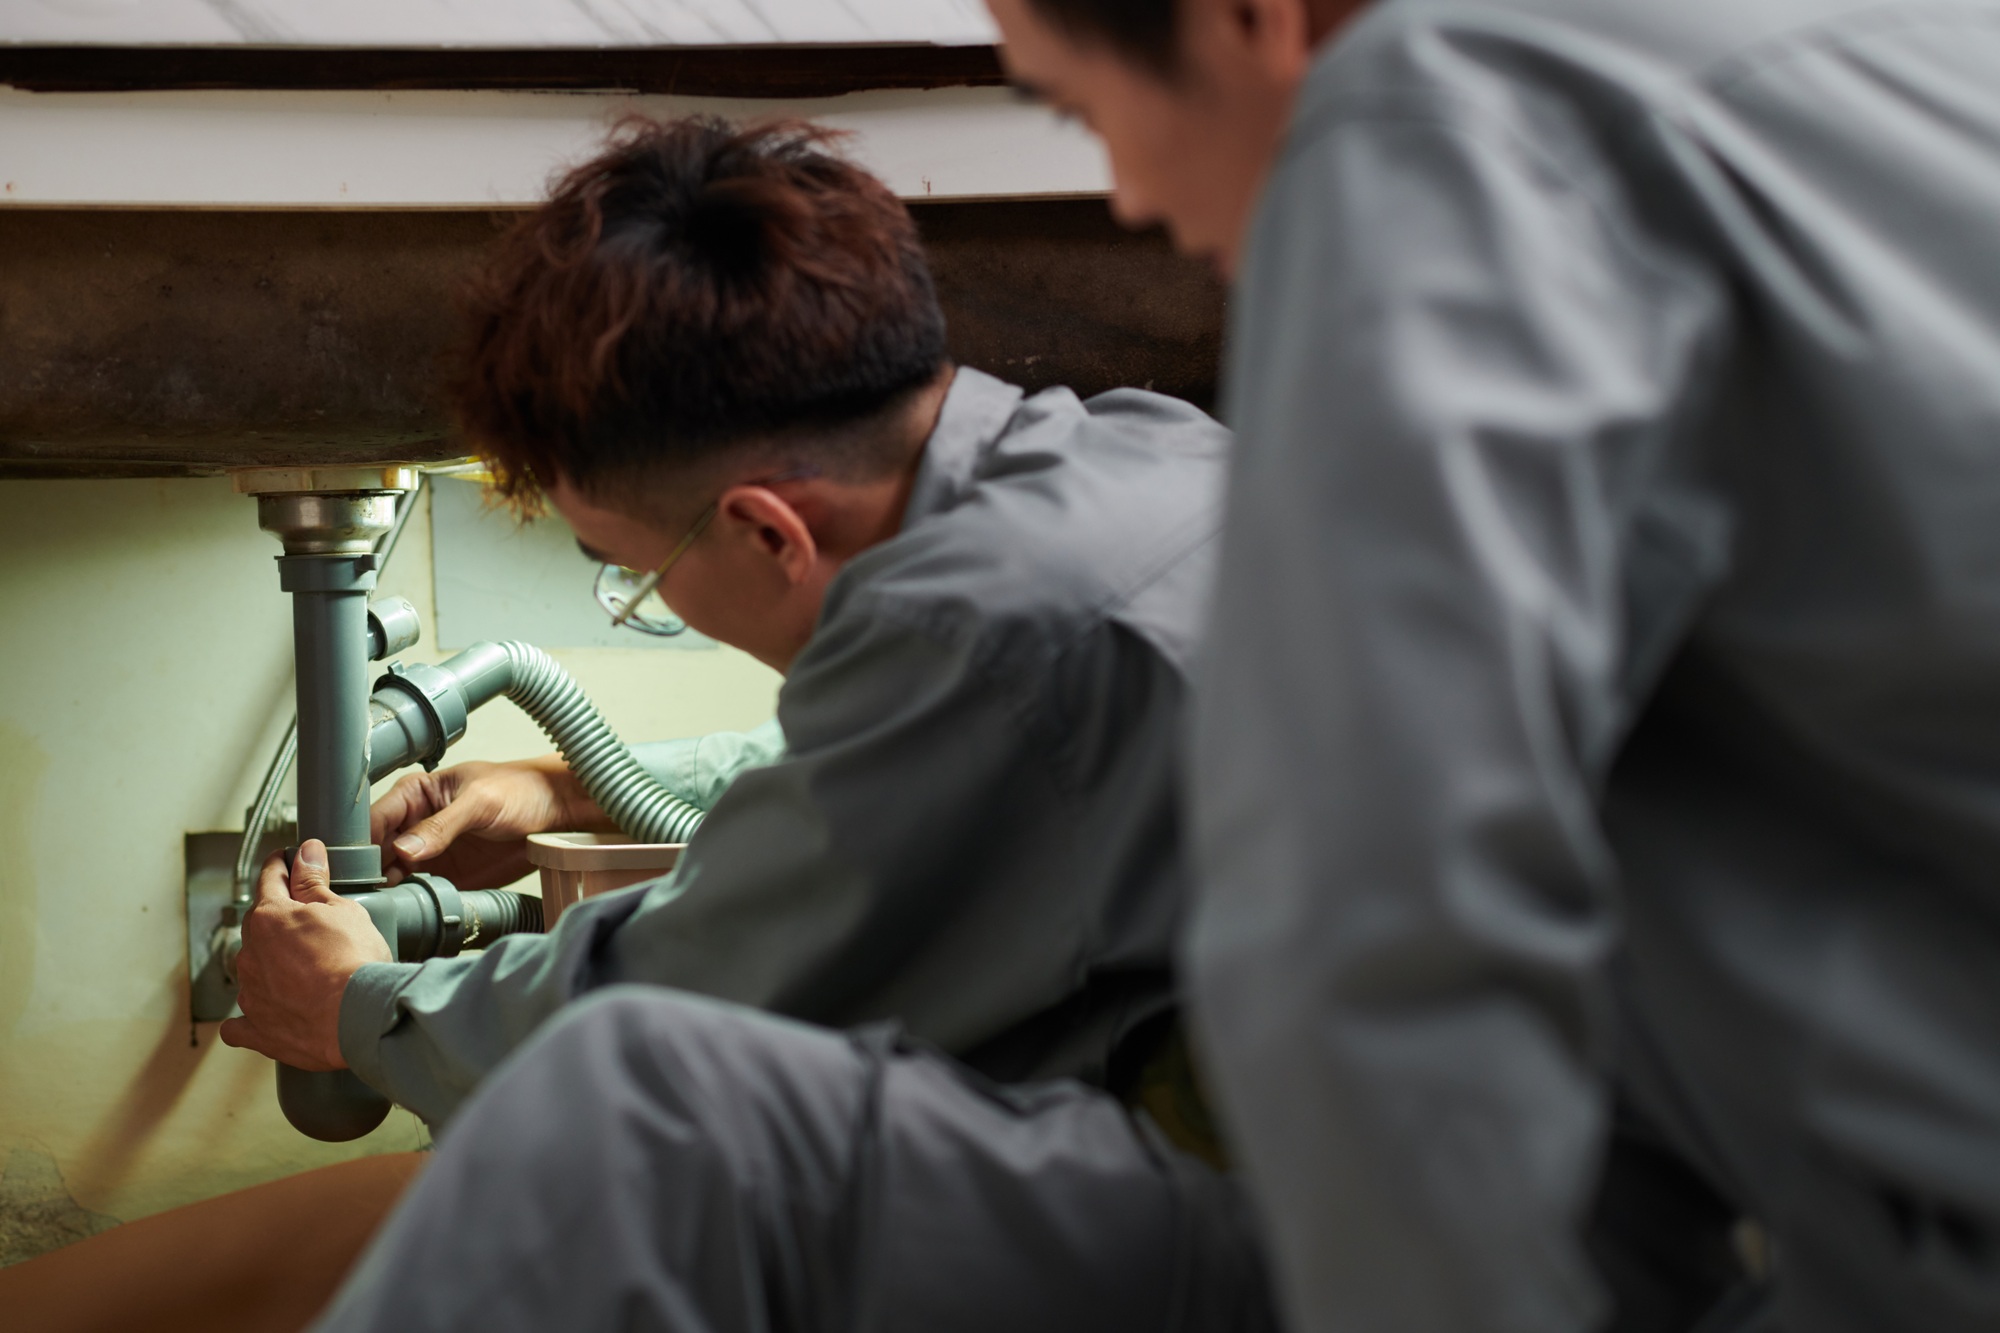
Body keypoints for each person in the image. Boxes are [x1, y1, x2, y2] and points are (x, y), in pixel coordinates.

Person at [982, 1, 2000, 1331]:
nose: (1124, 194)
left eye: (1082, 111)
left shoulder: (1439, 111)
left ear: (1256, 20)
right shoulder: (1876, 52)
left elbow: (1370, 913)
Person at [223, 116, 1276, 1330]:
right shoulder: (1137, 460)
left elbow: (682, 995)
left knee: (644, 1102)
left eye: (632, 571)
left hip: (1360, 1252)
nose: (647, 599)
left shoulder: (983, 635)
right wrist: (574, 788)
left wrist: (364, 1005)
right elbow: (959, 771)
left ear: (770, 530)